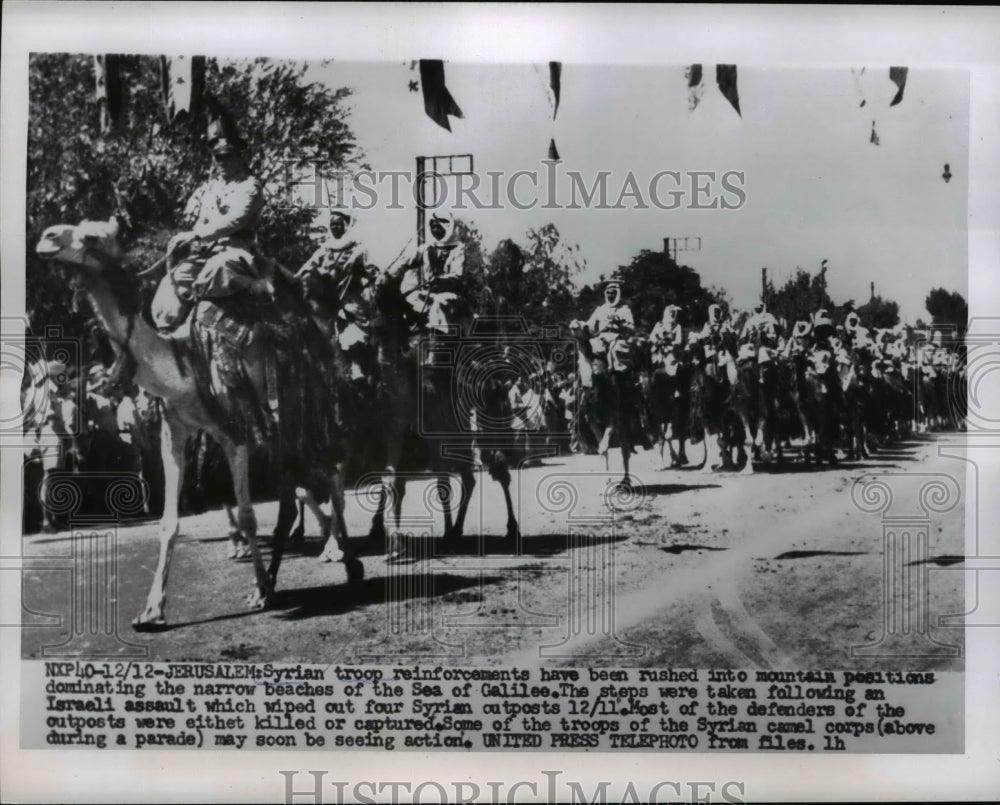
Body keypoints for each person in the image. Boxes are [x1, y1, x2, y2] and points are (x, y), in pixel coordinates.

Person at [151, 115, 268, 334]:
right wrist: (189, 239)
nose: (222, 162)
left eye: (227, 157)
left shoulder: (250, 186)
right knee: (174, 279)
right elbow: (200, 219)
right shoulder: (210, 188)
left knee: (217, 268)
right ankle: (167, 336)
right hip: (205, 253)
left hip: (235, 251)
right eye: (217, 157)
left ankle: (198, 324)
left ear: (239, 156)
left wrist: (196, 235)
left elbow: (235, 220)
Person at [297, 209, 379, 380]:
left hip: (350, 296)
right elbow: (308, 266)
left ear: (346, 225)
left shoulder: (358, 248)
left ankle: (356, 366)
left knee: (351, 324)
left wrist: (374, 276)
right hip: (327, 297)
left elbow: (371, 269)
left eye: (339, 224)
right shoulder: (325, 248)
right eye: (332, 224)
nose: (335, 227)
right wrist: (296, 278)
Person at [585, 280, 635, 373]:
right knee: (591, 354)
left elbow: (632, 328)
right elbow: (589, 325)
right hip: (601, 340)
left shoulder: (624, 309)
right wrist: (585, 328)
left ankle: (621, 374)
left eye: (613, 293)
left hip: (618, 338)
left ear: (617, 294)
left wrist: (619, 323)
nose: (610, 295)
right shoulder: (600, 309)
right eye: (608, 293)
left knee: (618, 355)